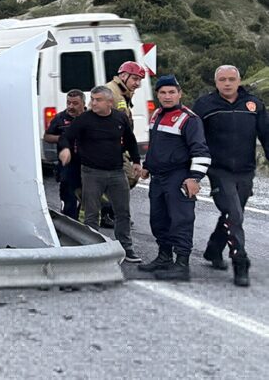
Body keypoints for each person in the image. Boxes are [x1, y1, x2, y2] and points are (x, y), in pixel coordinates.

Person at [192, 65, 269, 287]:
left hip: (246, 170)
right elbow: (194, 138)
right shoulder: (205, 105)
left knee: (233, 213)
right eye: (222, 79)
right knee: (234, 214)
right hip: (218, 170)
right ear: (216, 83)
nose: (227, 83)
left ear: (239, 80)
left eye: (231, 79)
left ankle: (213, 249)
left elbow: (266, 135)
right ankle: (240, 262)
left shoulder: (254, 105)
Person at [136, 75, 211, 281]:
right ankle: (164, 257)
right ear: (157, 94)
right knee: (158, 220)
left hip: (179, 177)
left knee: (181, 220)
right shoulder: (157, 114)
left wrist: (194, 178)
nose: (167, 96)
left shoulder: (189, 119)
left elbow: (201, 151)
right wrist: (147, 166)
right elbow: (156, 146)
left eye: (171, 92)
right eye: (163, 92)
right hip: (158, 178)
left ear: (180, 93)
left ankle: (182, 264)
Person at [58, 86, 143, 263]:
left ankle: (125, 248)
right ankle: (93, 249)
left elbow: (130, 140)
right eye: (92, 99)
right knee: (91, 213)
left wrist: (136, 161)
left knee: (123, 212)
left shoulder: (119, 118)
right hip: (92, 173)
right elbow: (66, 136)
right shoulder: (84, 120)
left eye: (98, 100)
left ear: (109, 102)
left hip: (116, 172)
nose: (93, 103)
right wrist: (65, 149)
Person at [44, 90, 86, 218]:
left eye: (75, 103)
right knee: (69, 201)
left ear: (83, 104)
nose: (70, 107)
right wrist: (62, 138)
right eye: (68, 103)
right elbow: (47, 136)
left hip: (87, 166)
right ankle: (69, 225)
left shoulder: (90, 117)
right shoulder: (60, 118)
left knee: (88, 201)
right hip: (67, 166)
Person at [106, 61, 146, 190]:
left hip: (118, 146)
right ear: (123, 76)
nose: (137, 84)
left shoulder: (122, 93)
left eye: (139, 80)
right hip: (108, 147)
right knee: (130, 178)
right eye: (135, 79)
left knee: (131, 178)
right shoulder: (111, 92)